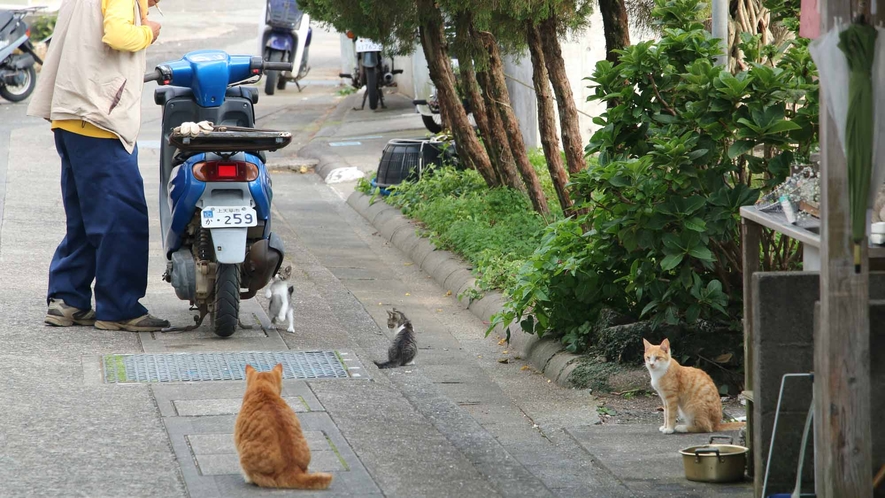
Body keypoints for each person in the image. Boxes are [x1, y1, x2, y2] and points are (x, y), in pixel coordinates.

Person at [27, 0, 170, 332]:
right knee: (123, 217)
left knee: (85, 218)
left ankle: (69, 300)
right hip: (98, 119)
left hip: (71, 116)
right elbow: (118, 35)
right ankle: (120, 309)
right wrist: (148, 31)